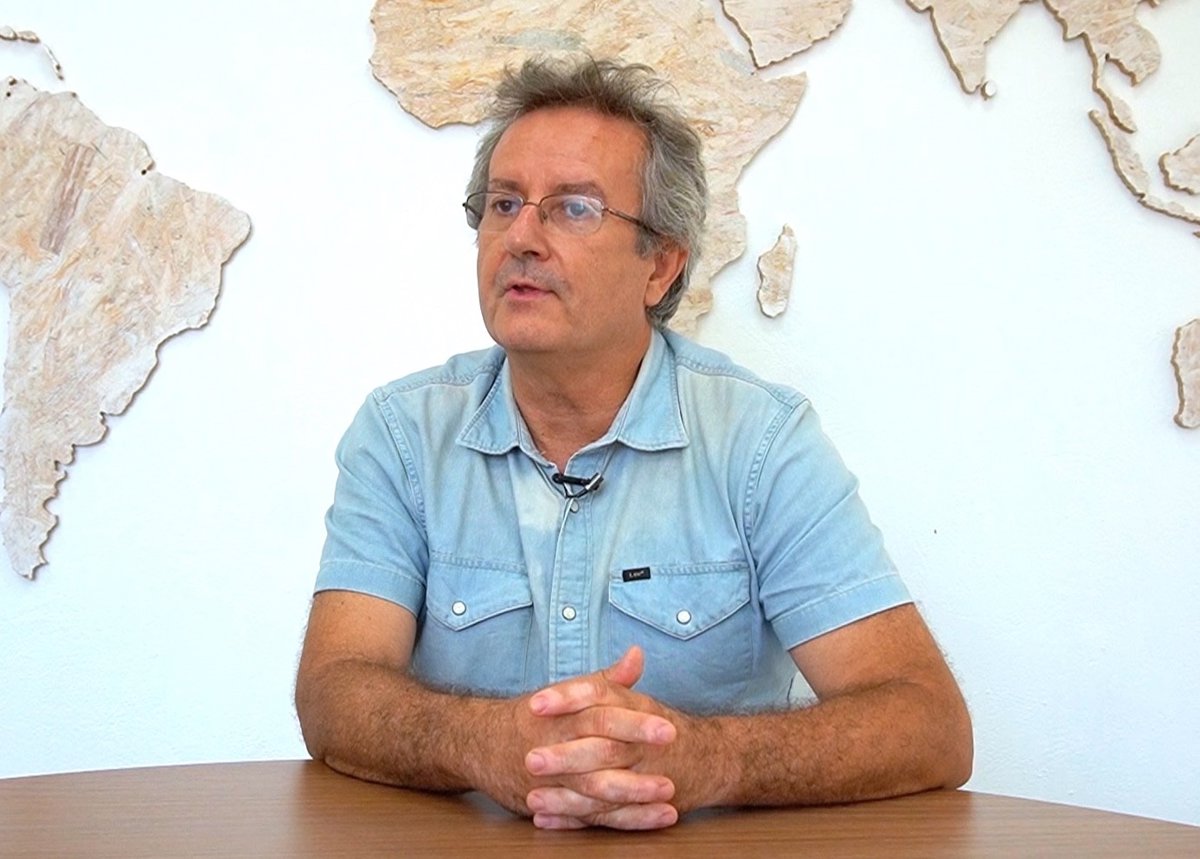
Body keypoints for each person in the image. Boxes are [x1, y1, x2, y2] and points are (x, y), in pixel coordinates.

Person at [295, 55, 972, 831]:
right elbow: (333, 691)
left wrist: (707, 758)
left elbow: (929, 724)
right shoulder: (402, 434)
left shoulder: (760, 442)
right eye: (503, 203)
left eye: (573, 208)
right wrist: (483, 743)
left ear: (661, 265)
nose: (521, 237)